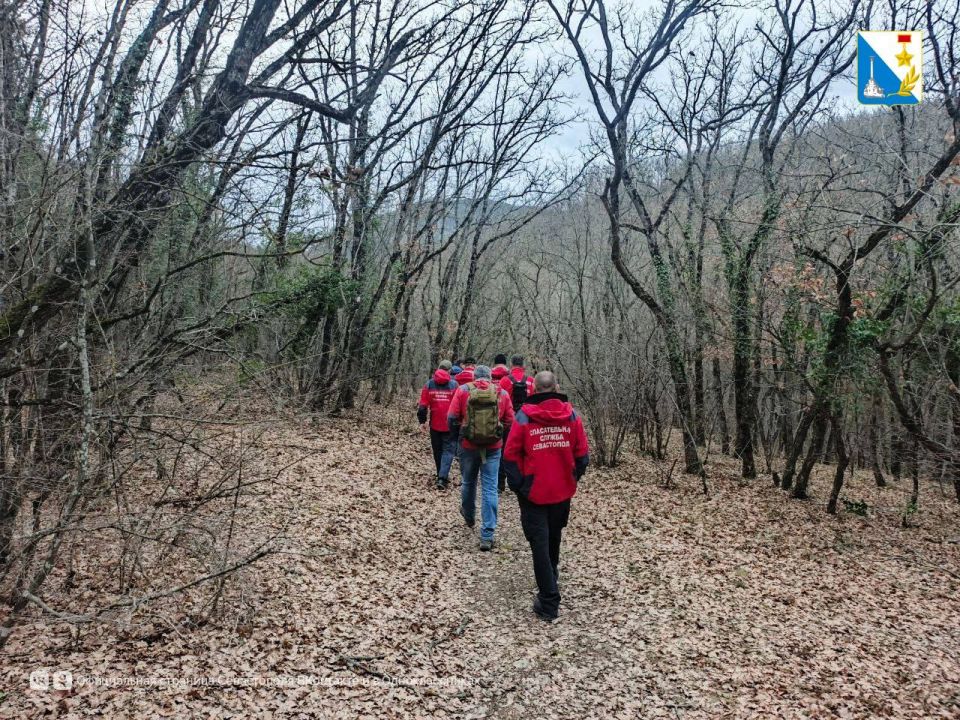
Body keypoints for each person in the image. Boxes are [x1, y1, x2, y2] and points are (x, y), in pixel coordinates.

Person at [503, 371, 589, 622]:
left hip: (535, 492)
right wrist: (571, 477)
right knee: (551, 539)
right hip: (557, 491)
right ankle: (550, 581)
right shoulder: (572, 416)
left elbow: (510, 455)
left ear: (535, 389)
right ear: (556, 386)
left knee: (540, 543)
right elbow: (582, 456)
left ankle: (549, 600)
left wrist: (520, 485)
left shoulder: (524, 417)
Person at [447, 365, 514, 551]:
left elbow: (451, 417)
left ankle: (469, 516)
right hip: (493, 447)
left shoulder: (463, 390)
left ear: (474, 377)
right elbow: (510, 420)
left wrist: (458, 435)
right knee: (490, 487)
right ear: (490, 377)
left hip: (468, 446)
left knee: (468, 482)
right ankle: (487, 535)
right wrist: (498, 431)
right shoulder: (501, 393)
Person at [417, 361, 458, 489]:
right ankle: (442, 477)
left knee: (437, 450)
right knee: (448, 451)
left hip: (434, 424)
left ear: (438, 369)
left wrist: (422, 421)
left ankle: (441, 474)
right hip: (451, 424)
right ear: (449, 371)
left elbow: (423, 405)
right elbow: (458, 405)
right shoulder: (454, 385)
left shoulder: (429, 384)